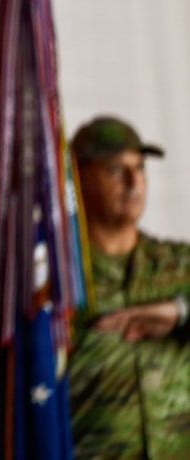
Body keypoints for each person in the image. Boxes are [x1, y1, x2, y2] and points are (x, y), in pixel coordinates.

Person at [68, 116, 190, 459]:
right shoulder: (59, 278)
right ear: (77, 177)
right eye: (115, 170)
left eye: (140, 168)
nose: (134, 182)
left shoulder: (178, 263)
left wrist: (179, 312)